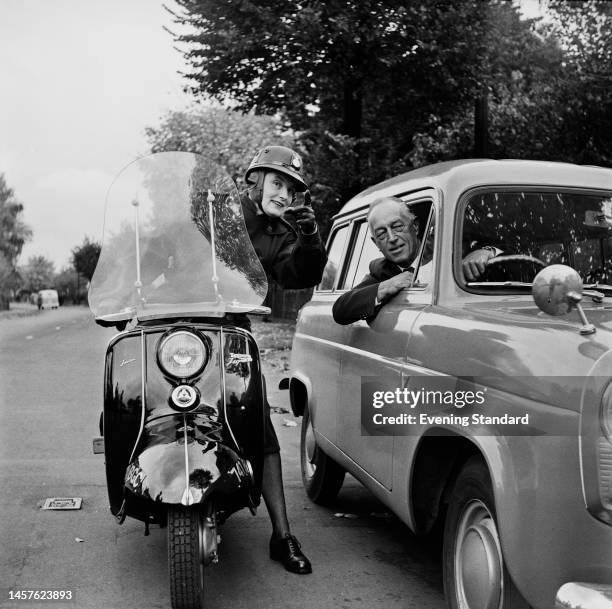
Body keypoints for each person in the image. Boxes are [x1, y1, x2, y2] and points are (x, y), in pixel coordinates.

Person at [239, 145, 326, 574]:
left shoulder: (282, 234)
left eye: (292, 189)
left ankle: (282, 535)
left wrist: (309, 239)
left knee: (258, 420)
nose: (284, 194)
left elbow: (299, 275)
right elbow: (169, 252)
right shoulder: (217, 212)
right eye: (277, 183)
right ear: (255, 181)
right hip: (180, 318)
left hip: (231, 328)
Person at [332, 196, 495, 325]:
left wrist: (487, 252)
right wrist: (388, 285)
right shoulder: (381, 272)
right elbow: (341, 310)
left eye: (397, 227)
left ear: (415, 226)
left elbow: (514, 253)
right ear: (376, 244)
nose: (392, 238)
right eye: (381, 234)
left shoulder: (451, 250)